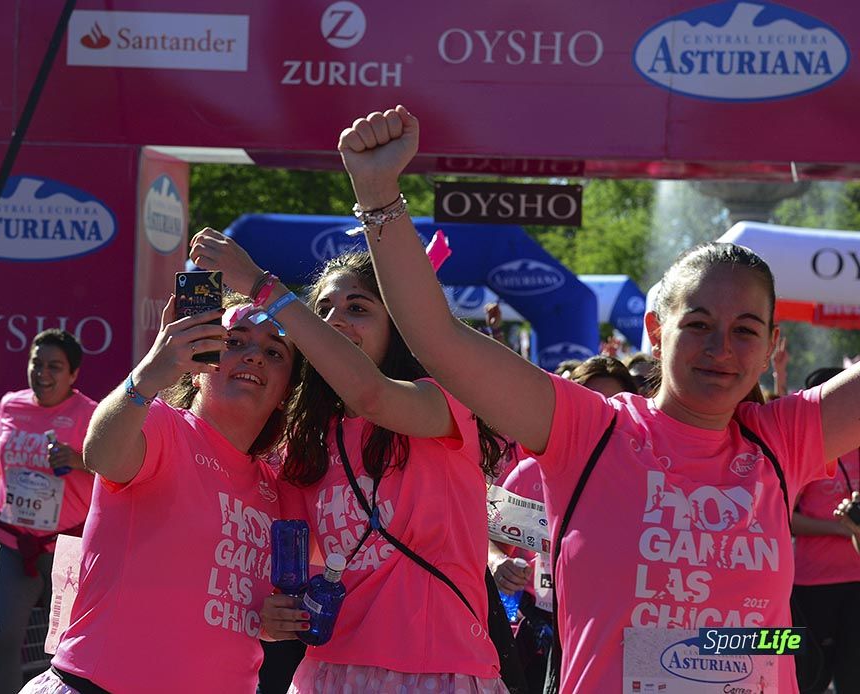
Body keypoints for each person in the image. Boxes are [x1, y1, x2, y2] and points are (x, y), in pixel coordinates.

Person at [336, 104, 860, 692]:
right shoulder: (588, 429)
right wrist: (379, 193)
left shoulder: (782, 439)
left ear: (771, 347)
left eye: (745, 330)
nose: (722, 348)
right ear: (658, 333)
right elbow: (437, 339)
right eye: (699, 324)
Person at [187, 233, 509, 693]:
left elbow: (372, 394)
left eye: (357, 308)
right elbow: (290, 569)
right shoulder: (307, 441)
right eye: (323, 311)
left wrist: (261, 286)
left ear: (397, 327)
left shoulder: (443, 405)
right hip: (329, 672)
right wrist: (271, 612)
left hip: (438, 669)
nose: (335, 321)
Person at [24, 295, 302, 693]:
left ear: (285, 394)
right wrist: (150, 374)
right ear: (196, 370)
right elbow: (101, 454)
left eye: (274, 351)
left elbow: (238, 603)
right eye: (235, 341)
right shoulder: (163, 424)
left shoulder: (278, 487)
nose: (255, 356)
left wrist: (269, 618)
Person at [493, 356, 638, 692]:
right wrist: (498, 562)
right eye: (588, 404)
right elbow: (488, 537)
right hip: (541, 632)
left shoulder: (650, 482)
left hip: (622, 634)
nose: (599, 417)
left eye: (610, 407)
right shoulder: (533, 472)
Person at [0, 329, 97, 694]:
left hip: (67, 547)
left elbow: (113, 465)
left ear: (73, 375)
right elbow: (1, 446)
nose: (42, 373)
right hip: (11, 540)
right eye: (36, 364)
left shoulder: (91, 413)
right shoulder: (11, 404)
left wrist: (76, 460)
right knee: (3, 639)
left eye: (54, 367)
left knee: (67, 648)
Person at [791, 366, 860, 693]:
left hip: (856, 583)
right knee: (809, 678)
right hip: (812, 583)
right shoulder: (802, 455)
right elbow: (783, 518)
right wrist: (839, 529)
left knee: (852, 677)